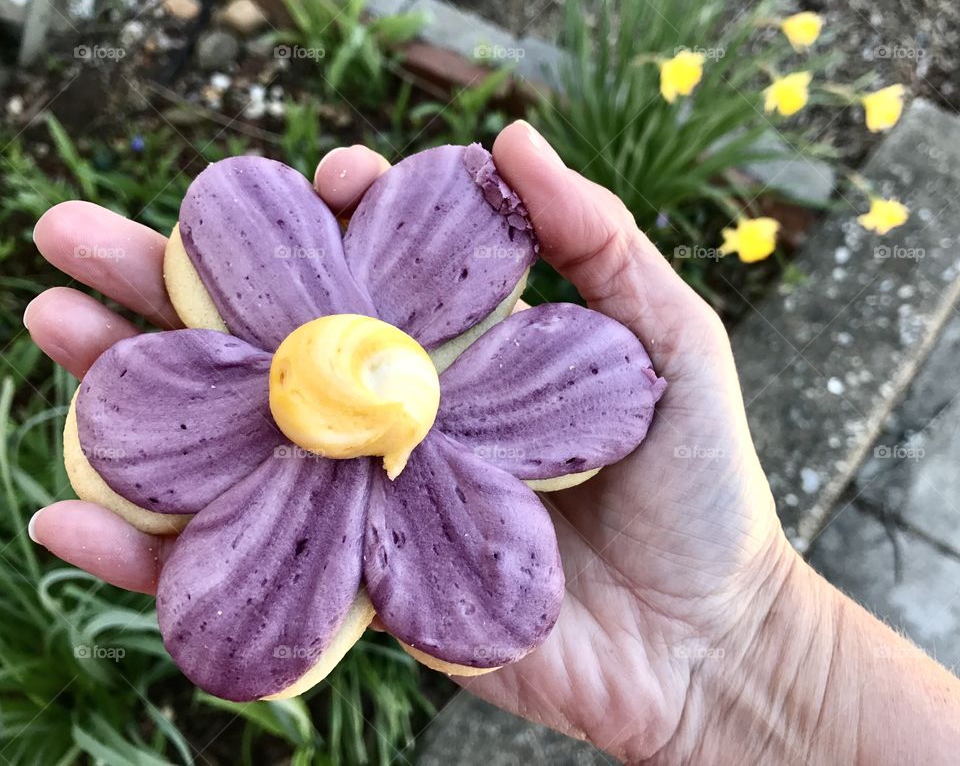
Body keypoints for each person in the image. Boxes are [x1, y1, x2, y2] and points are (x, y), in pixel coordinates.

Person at [23, 121, 960, 763]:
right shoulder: (233, 261)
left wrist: (741, 644)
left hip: (467, 430)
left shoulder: (565, 395)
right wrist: (738, 660)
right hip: (227, 418)